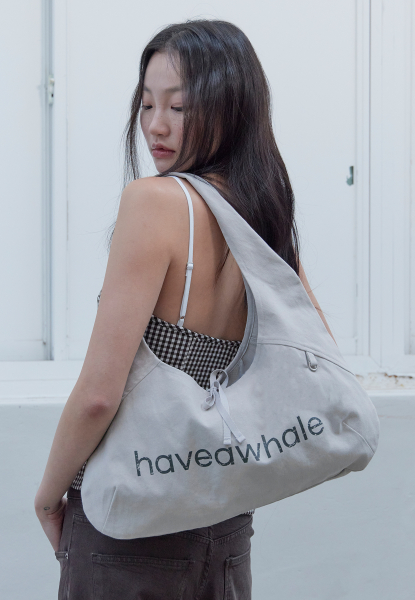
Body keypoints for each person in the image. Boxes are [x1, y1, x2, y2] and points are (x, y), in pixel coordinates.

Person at [35, 19, 336, 599]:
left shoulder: (154, 201)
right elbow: (316, 354)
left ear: (231, 108)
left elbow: (99, 395)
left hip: (130, 523)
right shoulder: (263, 213)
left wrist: (49, 497)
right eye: (147, 104)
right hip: (226, 525)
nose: (155, 125)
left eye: (180, 107)